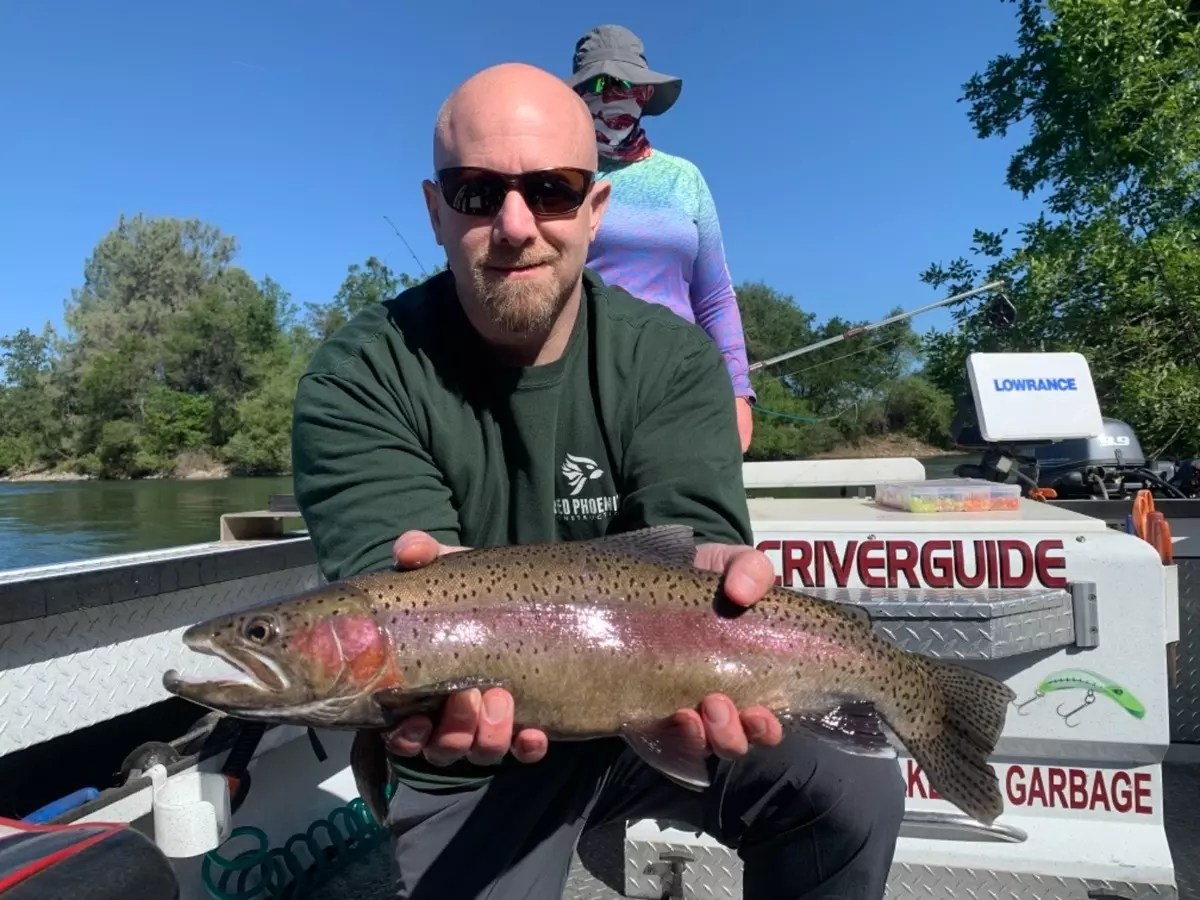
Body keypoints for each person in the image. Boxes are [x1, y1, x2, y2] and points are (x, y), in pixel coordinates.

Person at [290, 61, 905, 900]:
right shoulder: (360, 373)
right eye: (476, 192)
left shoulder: (672, 358)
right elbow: (390, 597)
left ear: (594, 208)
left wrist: (721, 571)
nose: (515, 224)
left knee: (854, 788)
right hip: (474, 753)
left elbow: (696, 543)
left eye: (551, 188)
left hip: (667, 703)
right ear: (435, 211)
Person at [568, 24, 756, 452]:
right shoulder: (554, 182)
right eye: (596, 84)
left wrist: (738, 392)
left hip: (680, 386)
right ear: (575, 96)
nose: (611, 93)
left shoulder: (684, 178)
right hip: (580, 390)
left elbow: (715, 297)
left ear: (645, 94)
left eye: (625, 84)